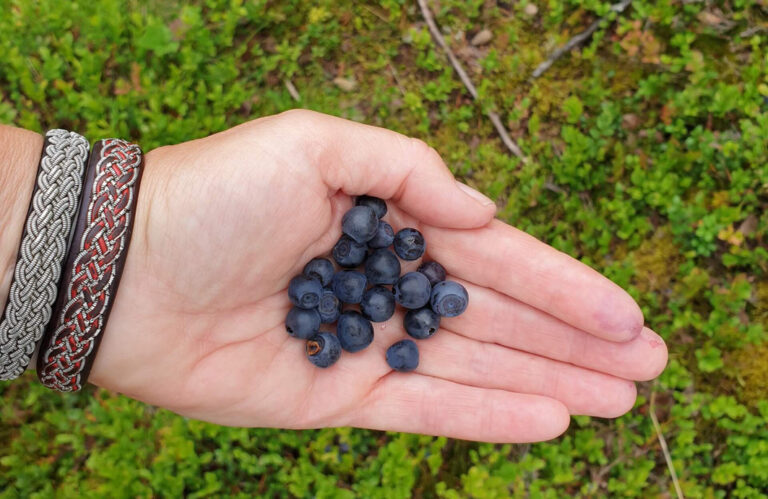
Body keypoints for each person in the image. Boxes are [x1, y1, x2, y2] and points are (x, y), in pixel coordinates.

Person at [0, 110, 668, 442]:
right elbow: (367, 296)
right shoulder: (357, 292)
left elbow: (382, 295)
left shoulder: (380, 291)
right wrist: (131, 245)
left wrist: (104, 241)